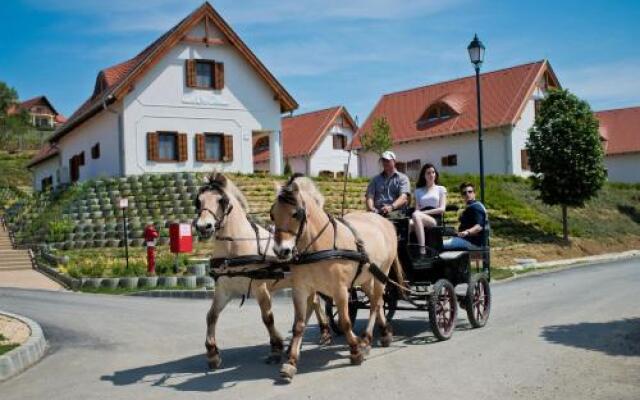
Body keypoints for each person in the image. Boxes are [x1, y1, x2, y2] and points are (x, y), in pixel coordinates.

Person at [412, 163, 447, 254]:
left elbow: (442, 209)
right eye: (428, 173)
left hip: (435, 218)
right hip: (420, 216)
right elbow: (416, 209)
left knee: (416, 215)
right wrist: (420, 214)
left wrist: (424, 213)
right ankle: (405, 253)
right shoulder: (418, 191)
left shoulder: (441, 189)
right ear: (424, 175)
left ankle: (422, 249)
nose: (431, 175)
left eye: (433, 172)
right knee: (406, 224)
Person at [443, 182, 487, 250]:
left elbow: (479, 227)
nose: (467, 194)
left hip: (471, 242)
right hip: (467, 240)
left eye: (470, 192)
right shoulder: (473, 206)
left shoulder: (475, 207)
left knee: (437, 245)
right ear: (462, 195)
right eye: (464, 193)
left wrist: (467, 232)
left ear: (474, 193)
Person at [365, 150, 410, 217]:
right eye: (383, 161)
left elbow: (403, 197)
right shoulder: (375, 180)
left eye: (387, 161)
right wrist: (372, 209)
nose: (385, 163)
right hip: (377, 212)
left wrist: (391, 207)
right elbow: (369, 196)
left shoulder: (403, 178)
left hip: (396, 212)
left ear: (394, 162)